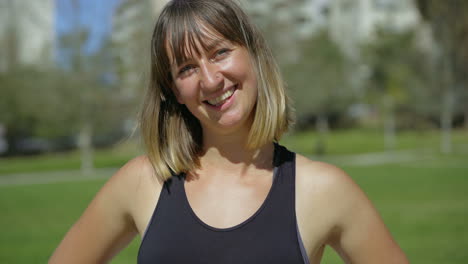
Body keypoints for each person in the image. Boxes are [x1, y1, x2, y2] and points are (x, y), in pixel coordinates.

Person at [50, 0, 409, 263]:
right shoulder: (144, 183)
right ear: (174, 90)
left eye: (220, 52)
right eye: (187, 68)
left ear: (253, 54)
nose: (210, 80)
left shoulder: (323, 190)